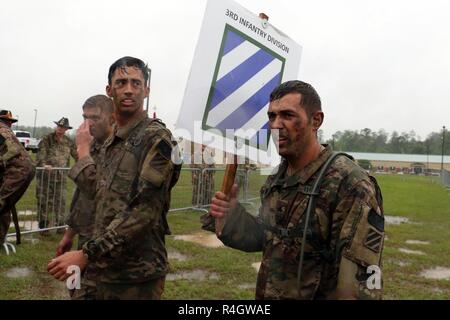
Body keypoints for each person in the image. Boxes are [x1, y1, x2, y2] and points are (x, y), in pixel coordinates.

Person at [206, 80, 384, 299]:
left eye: (287, 116)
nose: (276, 125)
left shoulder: (349, 185)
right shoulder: (277, 179)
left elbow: (360, 287)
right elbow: (266, 239)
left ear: (315, 120)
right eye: (272, 116)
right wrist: (232, 214)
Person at [47, 56, 182, 300]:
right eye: (121, 83)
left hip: (133, 275)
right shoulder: (108, 141)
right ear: (109, 90)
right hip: (97, 268)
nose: (129, 89)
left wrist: (87, 254)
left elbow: (145, 212)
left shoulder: (158, 139)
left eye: (136, 83)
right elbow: (94, 194)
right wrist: (71, 233)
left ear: (147, 90)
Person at [55, 95, 114, 299]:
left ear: (112, 118)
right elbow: (82, 196)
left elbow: (101, 194)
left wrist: (82, 150)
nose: (87, 124)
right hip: (84, 235)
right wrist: (68, 235)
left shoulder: (117, 151)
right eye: (84, 117)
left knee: (90, 292)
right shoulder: (93, 147)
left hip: (106, 241)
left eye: (94, 118)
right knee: (74, 286)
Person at [0, 110, 35, 247]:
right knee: (4, 207)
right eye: (7, 121)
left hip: (18, 172)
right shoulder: (6, 132)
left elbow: (12, 151)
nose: (9, 124)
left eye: (10, 122)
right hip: (22, 171)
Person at [36, 117, 77, 230]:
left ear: (66, 129)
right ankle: (43, 226)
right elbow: (41, 154)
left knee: (60, 201)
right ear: (56, 126)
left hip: (61, 177)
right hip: (45, 176)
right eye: (59, 126)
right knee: (44, 201)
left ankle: (60, 225)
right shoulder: (47, 139)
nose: (60, 128)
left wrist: (83, 164)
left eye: (63, 127)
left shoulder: (68, 142)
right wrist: (44, 164)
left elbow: (77, 155)